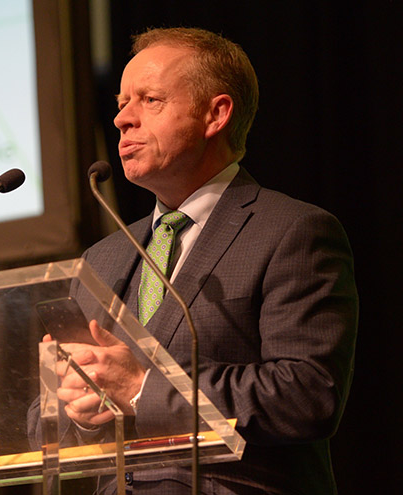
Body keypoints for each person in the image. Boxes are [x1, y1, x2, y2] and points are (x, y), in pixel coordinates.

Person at [29, 27, 358, 494]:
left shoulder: (293, 232)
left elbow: (306, 394)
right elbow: (40, 423)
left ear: (216, 114)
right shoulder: (101, 260)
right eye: (122, 102)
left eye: (150, 100)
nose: (123, 119)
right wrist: (79, 411)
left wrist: (144, 389)